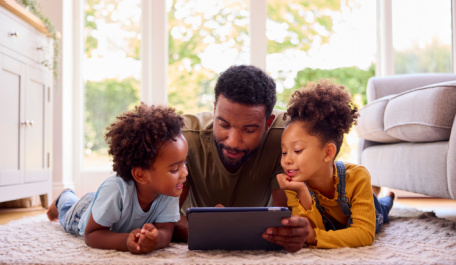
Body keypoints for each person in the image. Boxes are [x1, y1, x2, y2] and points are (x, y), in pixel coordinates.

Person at [175, 65, 311, 252]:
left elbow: (285, 217)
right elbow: (165, 218)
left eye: (249, 130)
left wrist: (293, 230)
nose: (233, 142)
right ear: (214, 110)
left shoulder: (285, 138)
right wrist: (209, 230)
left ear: (268, 123)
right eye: (223, 124)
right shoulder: (184, 139)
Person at [47, 104, 188, 254]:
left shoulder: (171, 190)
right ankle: (64, 196)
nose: (185, 173)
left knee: (101, 203)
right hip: (82, 212)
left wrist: (155, 238)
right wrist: (126, 241)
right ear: (141, 175)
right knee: (67, 208)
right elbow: (92, 235)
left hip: (104, 204)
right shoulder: (115, 190)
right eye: (174, 169)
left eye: (184, 163)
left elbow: (166, 230)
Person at [275, 80, 395, 248]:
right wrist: (302, 192)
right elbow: (312, 228)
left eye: (297, 150)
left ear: (327, 152)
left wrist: (314, 238)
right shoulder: (294, 184)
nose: (286, 160)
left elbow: (364, 234)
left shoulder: (357, 177)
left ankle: (387, 199)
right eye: (284, 152)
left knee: (382, 208)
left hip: (372, 211)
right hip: (335, 221)